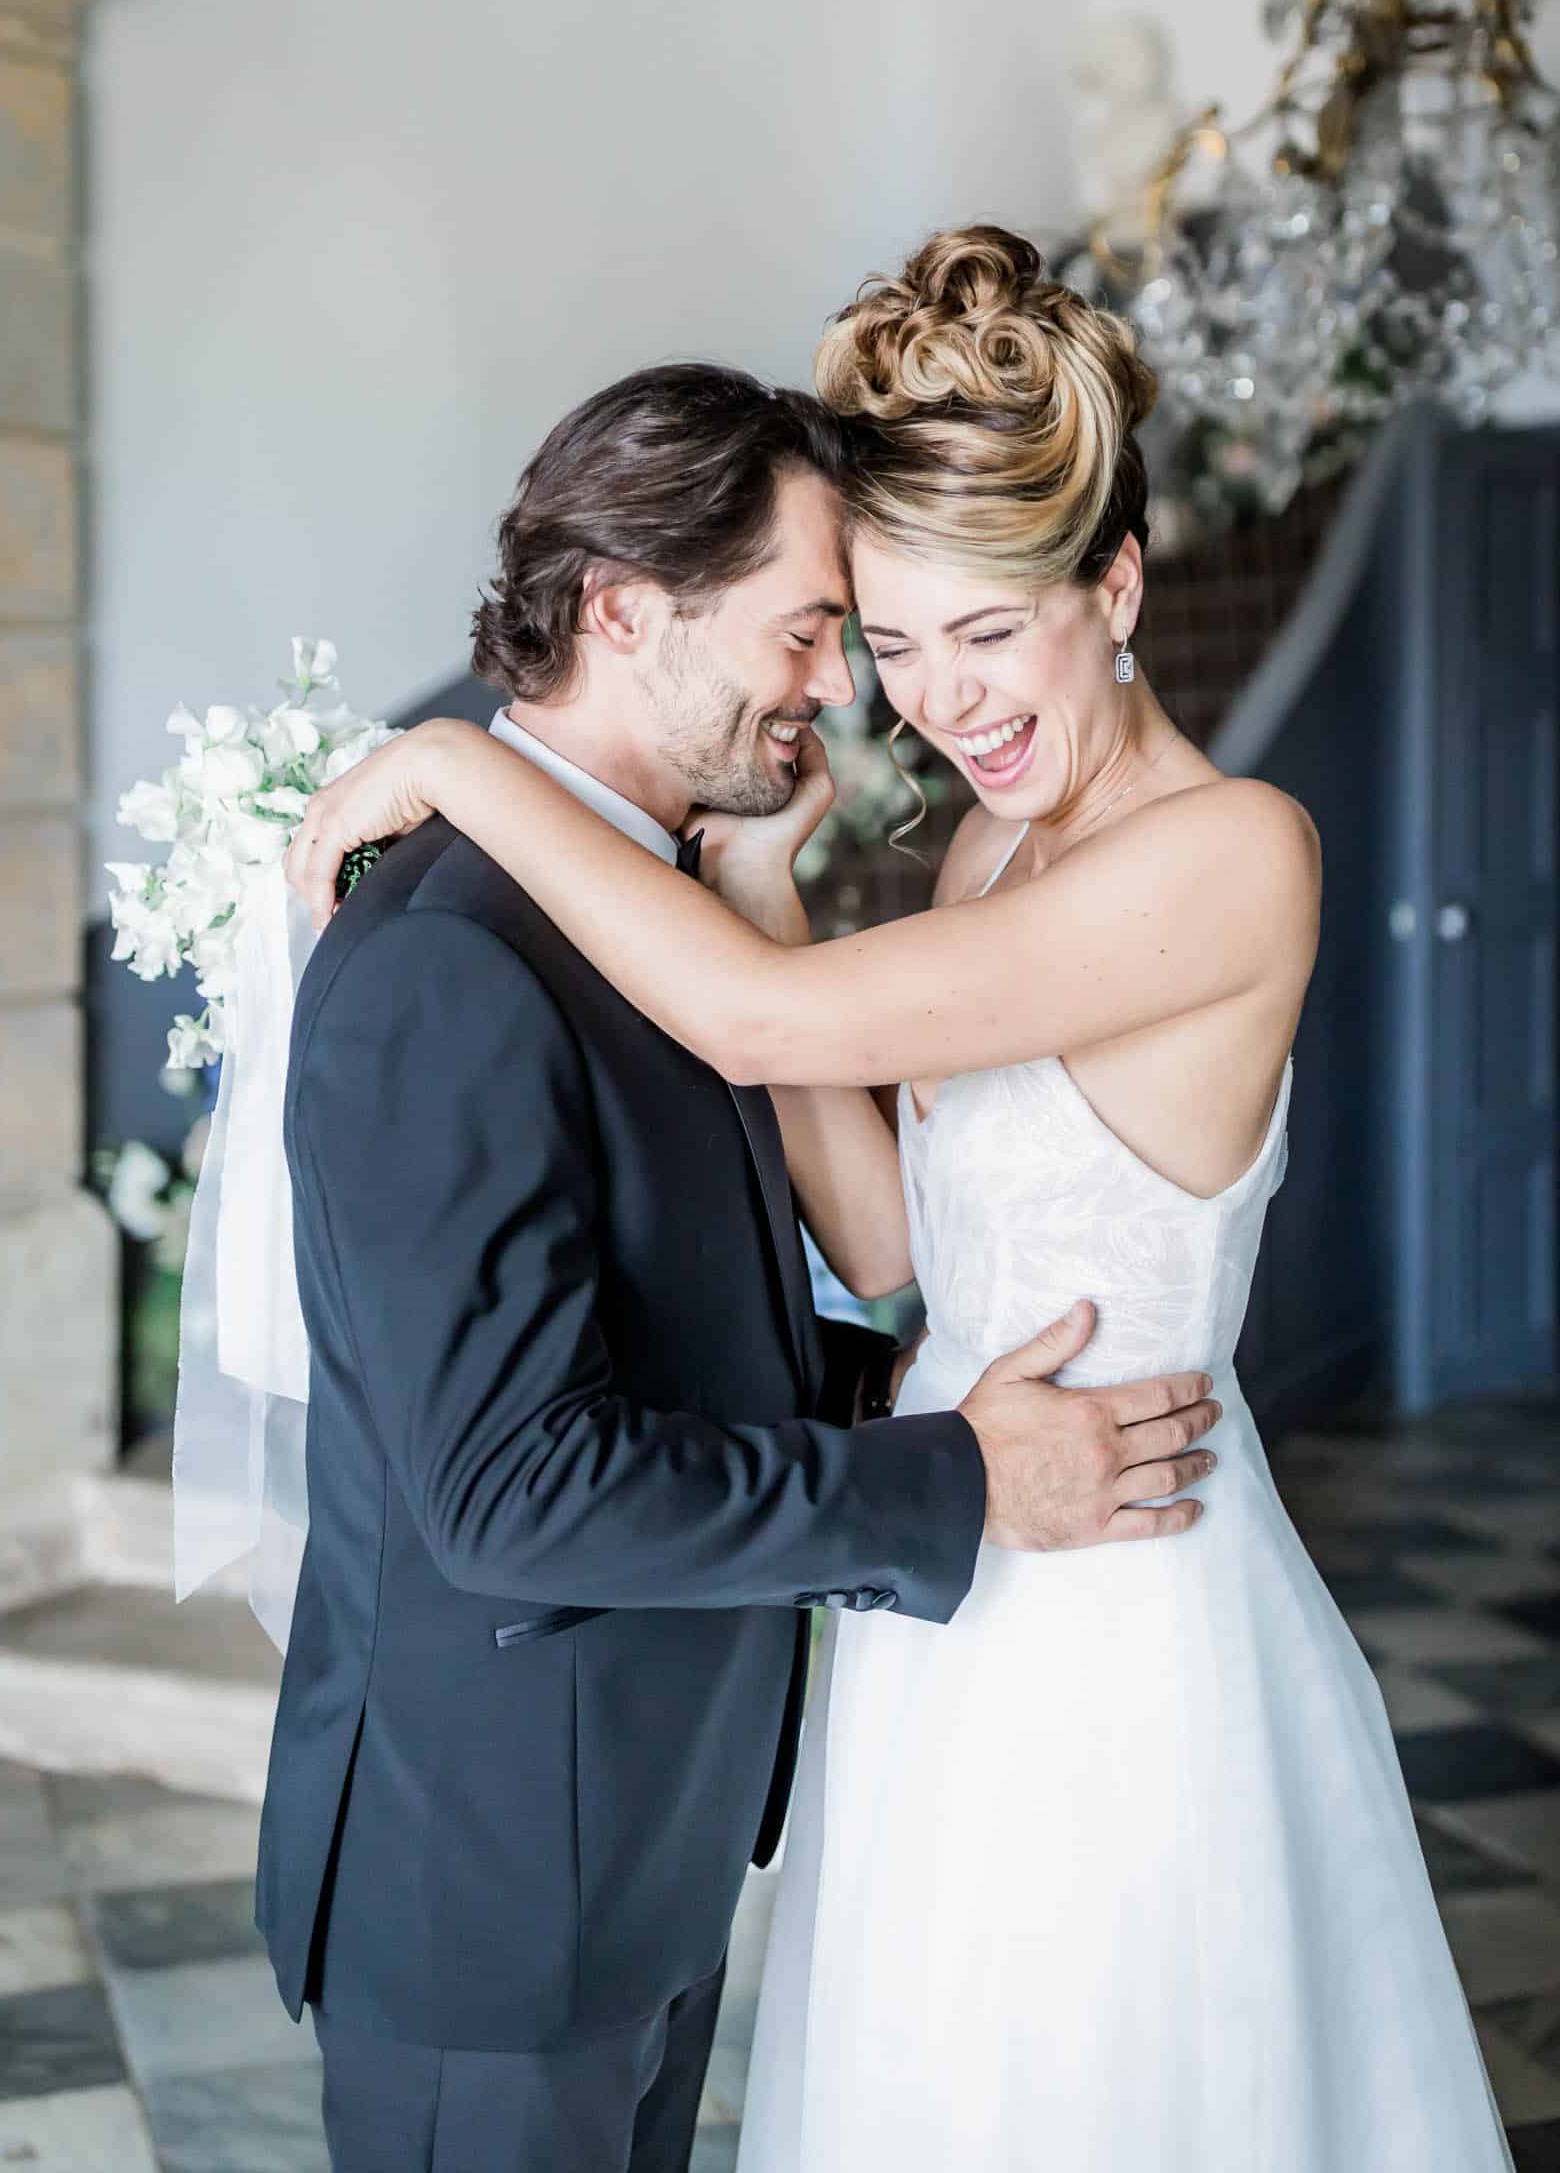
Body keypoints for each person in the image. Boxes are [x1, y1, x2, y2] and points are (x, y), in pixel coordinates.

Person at [291, 229, 1514, 2171]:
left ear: (1111, 584)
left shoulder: (1228, 855)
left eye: (990, 631)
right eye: (890, 641)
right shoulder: (982, 846)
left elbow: (755, 1022)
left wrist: (455, 757)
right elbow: (897, 1252)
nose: (937, 702)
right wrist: (767, 870)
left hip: (1121, 1579)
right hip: (954, 1583)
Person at [262, 358, 1222, 2173]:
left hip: (636, 1847)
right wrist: (951, 1475)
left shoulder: (658, 906)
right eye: (806, 632)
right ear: (628, 614)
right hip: (493, 1895)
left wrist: (923, 1398)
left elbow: (677, 1330)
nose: (845, 689)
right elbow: (507, 1489)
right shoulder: (450, 961)